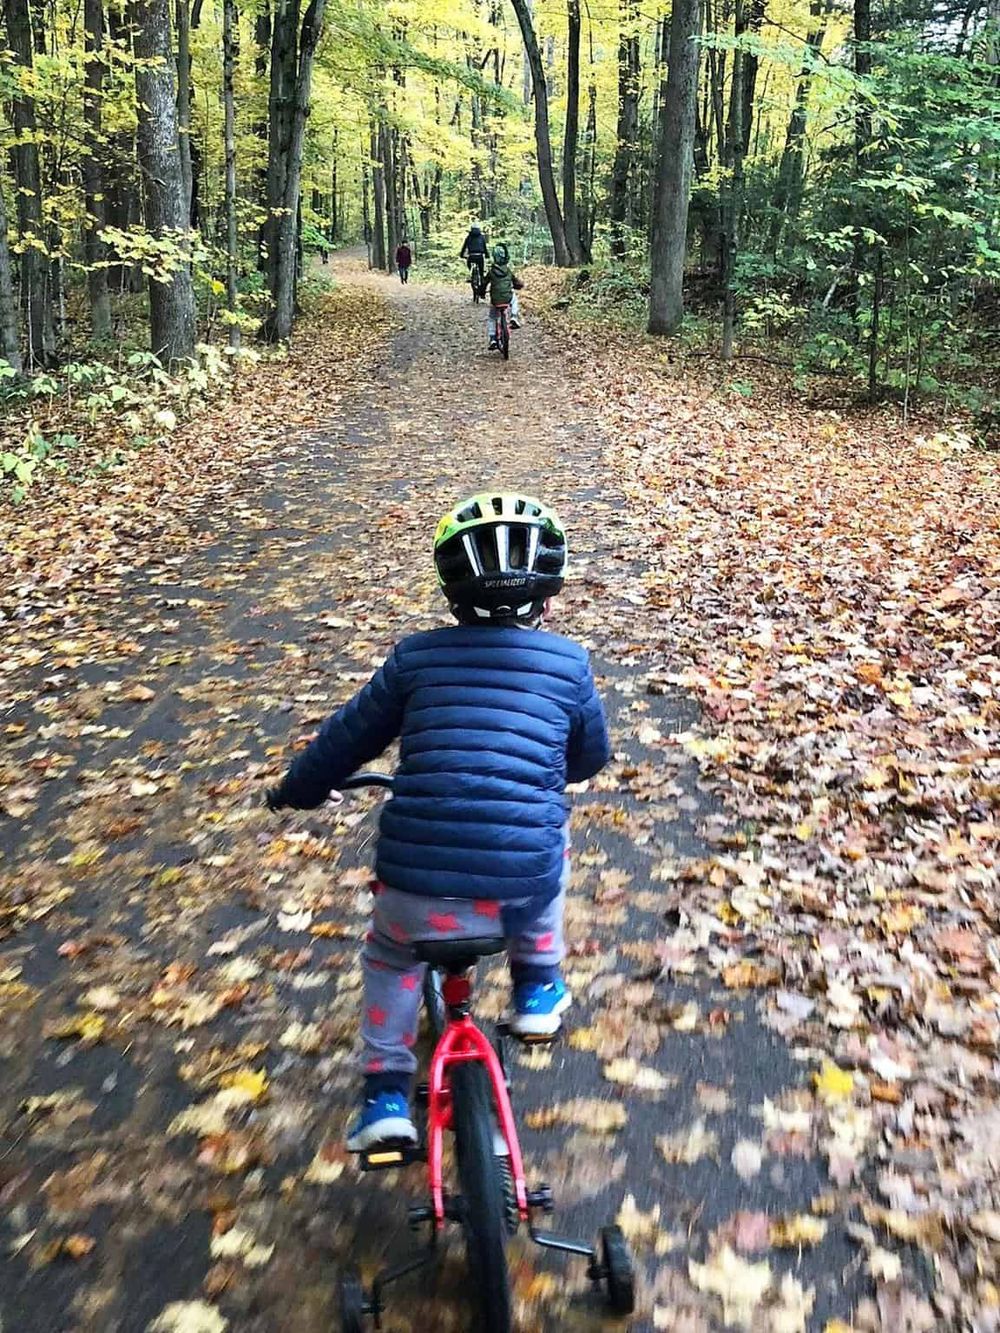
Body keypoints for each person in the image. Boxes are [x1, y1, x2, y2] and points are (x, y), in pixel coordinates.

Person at [265, 494, 610, 1151]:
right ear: (550, 597)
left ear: (448, 588)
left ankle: (386, 1095)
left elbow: (346, 739)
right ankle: (537, 988)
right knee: (548, 839)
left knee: (391, 957)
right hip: (516, 892)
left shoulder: (415, 659)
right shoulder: (568, 664)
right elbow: (589, 756)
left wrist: (298, 790)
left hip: (415, 897)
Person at [481, 242, 524, 348]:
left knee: (492, 317)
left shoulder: (491, 272)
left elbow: (483, 284)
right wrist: (519, 286)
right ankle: (514, 316)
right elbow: (517, 283)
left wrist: (481, 292)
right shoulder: (508, 271)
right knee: (514, 298)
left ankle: (492, 339)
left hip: (495, 300)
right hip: (507, 298)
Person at [459, 224, 489, 293]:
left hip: (471, 256)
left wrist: (461, 255)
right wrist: (487, 255)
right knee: (481, 272)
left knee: (470, 265)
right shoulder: (481, 237)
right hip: (480, 256)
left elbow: (464, 247)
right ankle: (481, 281)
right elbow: (484, 248)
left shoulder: (469, 237)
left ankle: (471, 275)